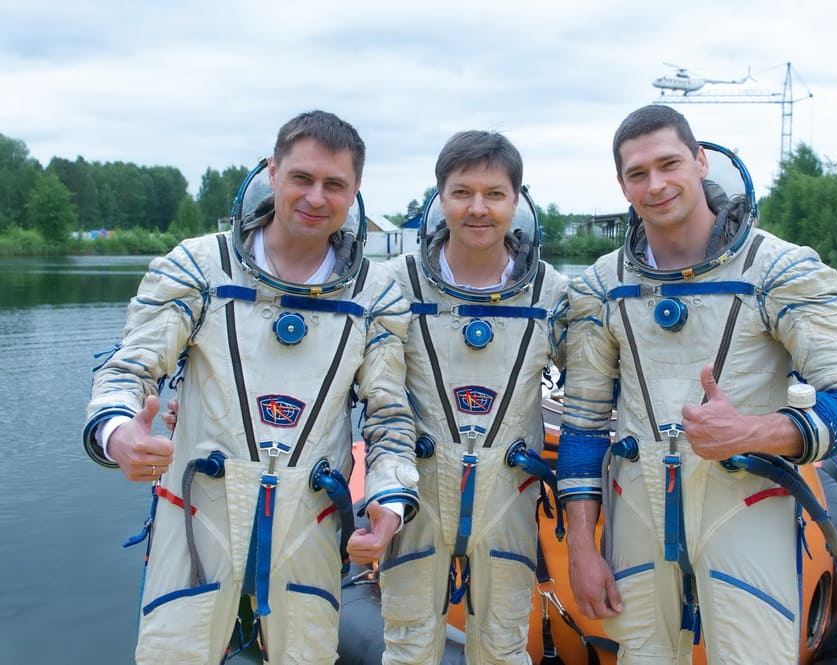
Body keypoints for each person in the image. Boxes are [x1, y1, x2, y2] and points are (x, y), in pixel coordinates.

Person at [83, 110, 419, 665]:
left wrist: (389, 499)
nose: (316, 197)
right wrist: (118, 432)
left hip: (310, 521)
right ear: (272, 172)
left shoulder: (376, 297)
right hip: (197, 515)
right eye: (302, 177)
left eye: (334, 184)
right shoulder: (198, 268)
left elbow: (389, 417)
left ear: (355, 190)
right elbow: (129, 369)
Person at [555, 105, 837, 665]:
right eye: (638, 173)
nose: (656, 185)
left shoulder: (782, 271)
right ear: (622, 185)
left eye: (669, 164)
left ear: (701, 161)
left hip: (747, 506)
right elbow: (583, 428)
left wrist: (752, 433)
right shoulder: (599, 287)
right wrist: (583, 548)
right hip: (636, 513)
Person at [351, 130, 567, 665]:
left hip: (509, 499)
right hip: (416, 496)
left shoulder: (554, 294)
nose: (478, 208)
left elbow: (599, 394)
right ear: (440, 197)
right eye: (462, 192)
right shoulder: (391, 286)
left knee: (504, 648)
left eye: (494, 194)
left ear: (516, 201)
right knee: (407, 647)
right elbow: (345, 381)